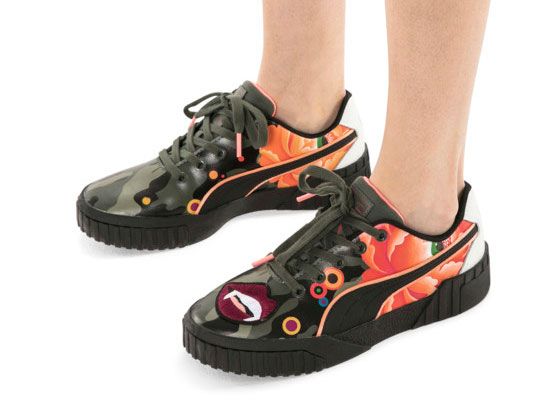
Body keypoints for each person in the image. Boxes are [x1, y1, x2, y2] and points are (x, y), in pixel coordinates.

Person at [78, 0, 491, 376]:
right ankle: (298, 110)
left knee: (418, 191)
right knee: (296, 89)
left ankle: (421, 207)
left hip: (423, 233)